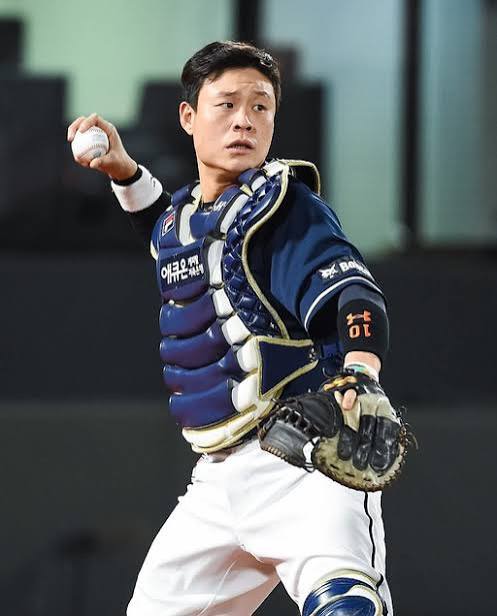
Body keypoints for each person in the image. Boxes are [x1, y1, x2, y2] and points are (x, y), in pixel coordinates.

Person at [69, 41, 396, 616]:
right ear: (188, 116)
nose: (244, 119)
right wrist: (124, 172)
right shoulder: (187, 217)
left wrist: (361, 372)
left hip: (304, 460)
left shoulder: (285, 206)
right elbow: (172, 233)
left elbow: (353, 295)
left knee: (345, 606)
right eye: (226, 104)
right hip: (217, 481)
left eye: (261, 106)